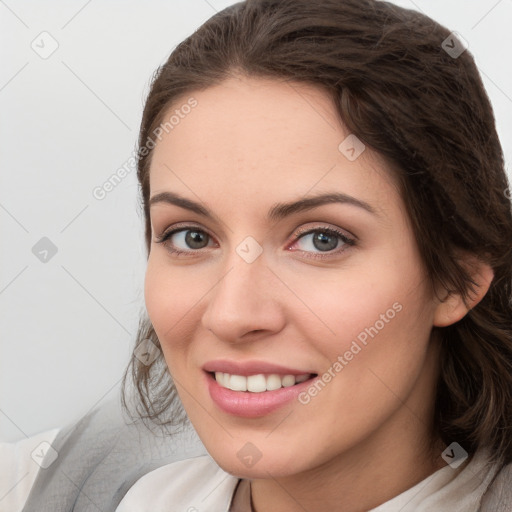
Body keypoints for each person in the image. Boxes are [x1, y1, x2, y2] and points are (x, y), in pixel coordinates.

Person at [2, 0, 512, 510]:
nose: (232, 314)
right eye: (191, 237)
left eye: (321, 239)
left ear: (458, 278)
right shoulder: (74, 483)